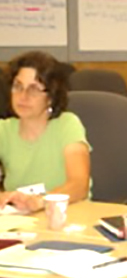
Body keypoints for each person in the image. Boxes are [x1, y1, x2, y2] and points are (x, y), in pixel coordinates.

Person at [0, 51, 90, 212]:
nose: (23, 96)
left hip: (67, 215)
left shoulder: (67, 125)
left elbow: (79, 184)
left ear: (51, 96)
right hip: (19, 221)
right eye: (18, 86)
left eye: (34, 89)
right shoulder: (4, 130)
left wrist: (41, 201)